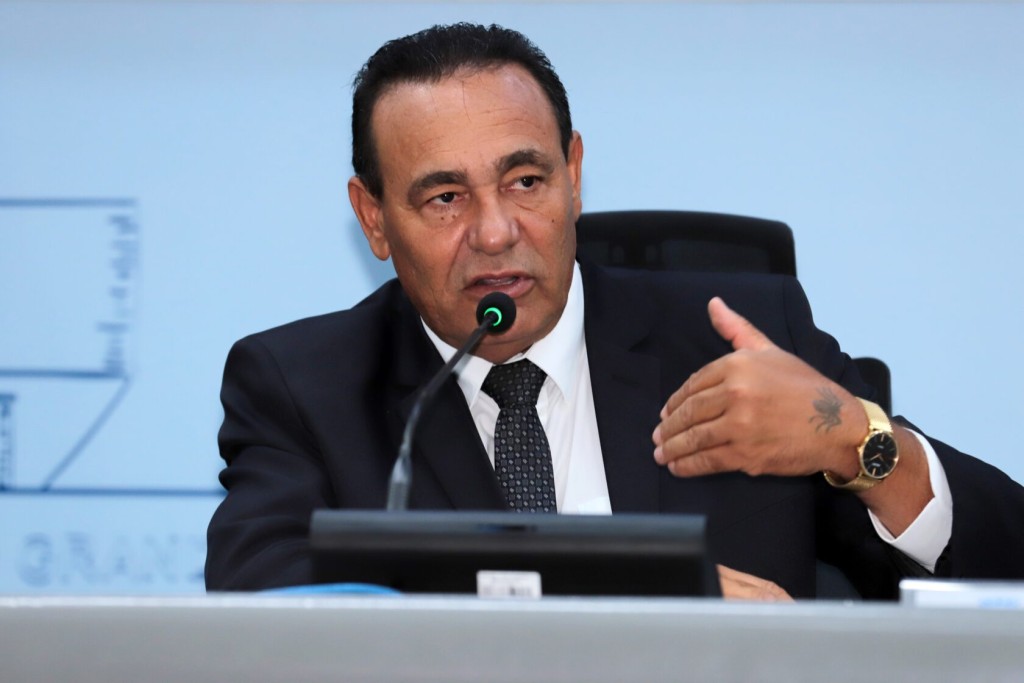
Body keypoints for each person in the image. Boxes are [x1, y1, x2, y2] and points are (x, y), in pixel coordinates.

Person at [206, 23, 1024, 599]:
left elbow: (1003, 566)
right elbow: (259, 611)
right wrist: (637, 596)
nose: (495, 232)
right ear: (374, 218)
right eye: (446, 197)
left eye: (526, 181)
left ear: (574, 174)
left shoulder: (736, 342)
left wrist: (857, 441)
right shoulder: (304, 387)